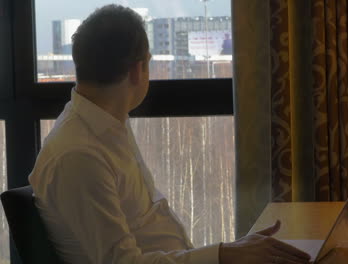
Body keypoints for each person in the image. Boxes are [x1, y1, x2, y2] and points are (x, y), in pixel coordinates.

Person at [29, 5, 311, 264]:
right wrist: (224, 256)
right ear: (139, 70)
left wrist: (233, 252)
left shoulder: (105, 127)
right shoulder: (80, 155)